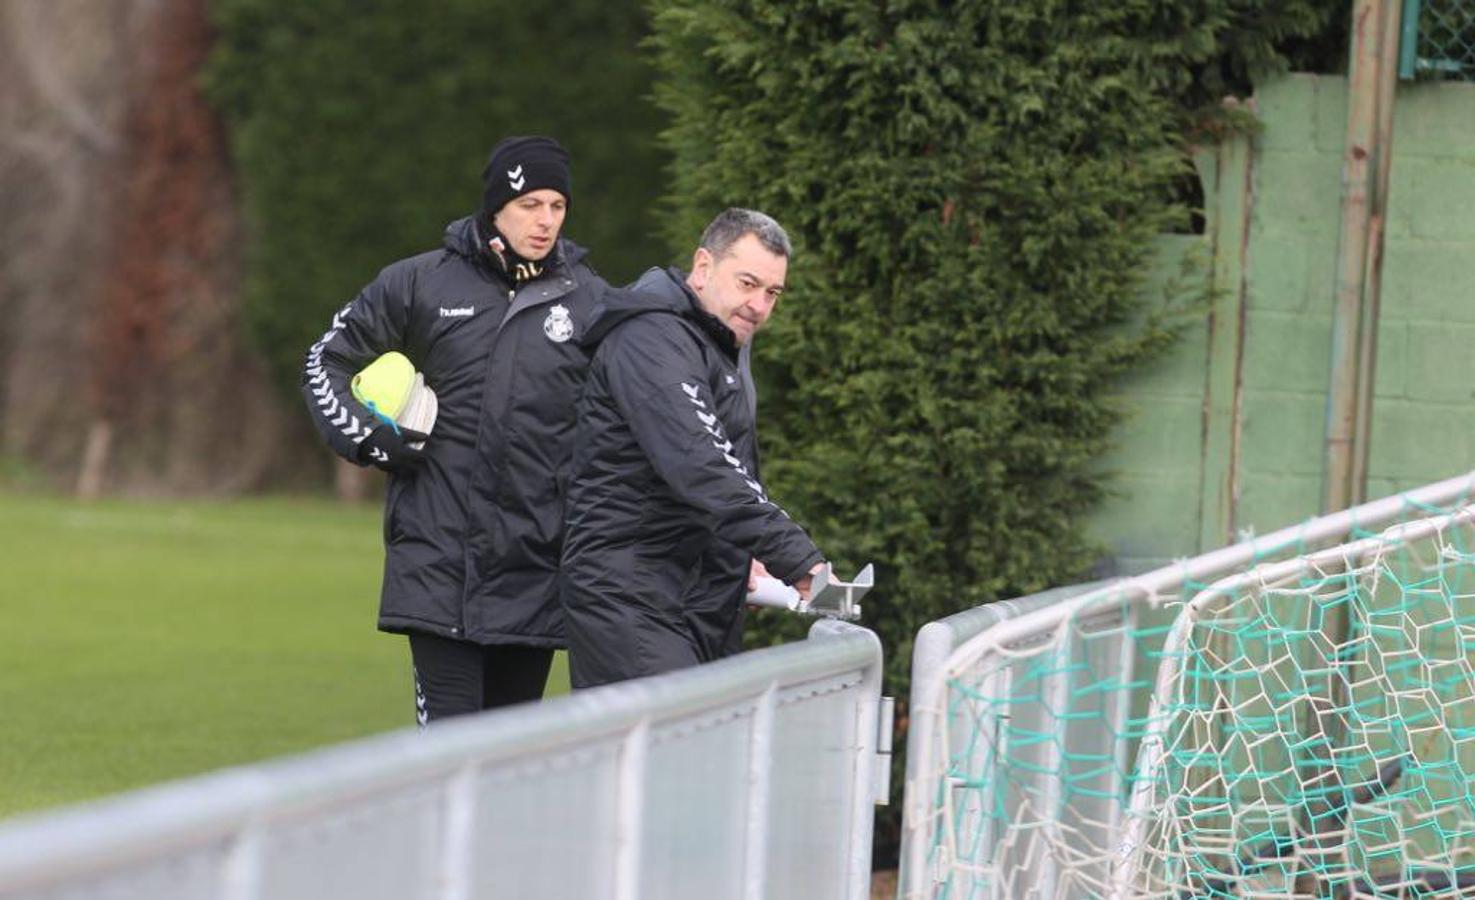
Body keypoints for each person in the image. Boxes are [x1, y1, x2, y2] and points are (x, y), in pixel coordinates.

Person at [301, 135, 608, 724]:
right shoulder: (421, 281)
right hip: (440, 566)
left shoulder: (592, 300)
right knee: (450, 756)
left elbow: (627, 421)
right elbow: (325, 360)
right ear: (496, 206)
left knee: (507, 766)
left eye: (557, 206)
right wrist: (366, 435)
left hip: (535, 570)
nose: (546, 222)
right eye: (530, 205)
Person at [560, 208, 826, 689]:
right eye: (748, 283)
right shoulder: (650, 337)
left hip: (694, 596)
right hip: (629, 593)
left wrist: (743, 554)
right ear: (703, 267)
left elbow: (727, 467)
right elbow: (699, 463)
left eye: (773, 293)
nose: (759, 305)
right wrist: (799, 560)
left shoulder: (722, 342)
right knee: (671, 755)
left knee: (689, 756)